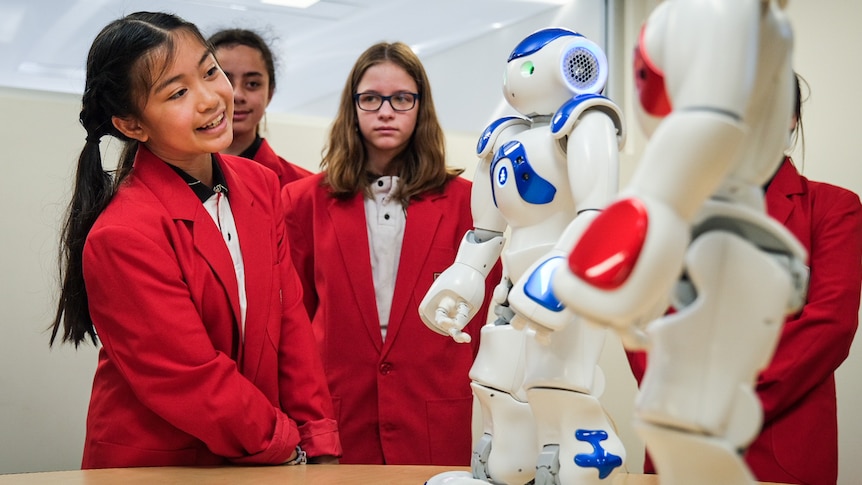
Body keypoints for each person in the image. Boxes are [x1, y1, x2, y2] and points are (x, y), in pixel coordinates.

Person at [49, 11, 340, 469]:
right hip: (161, 466)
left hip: (260, 454)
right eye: (178, 92)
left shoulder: (261, 186)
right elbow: (192, 379)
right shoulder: (123, 234)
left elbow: (291, 326)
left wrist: (320, 441)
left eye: (209, 72)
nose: (211, 99)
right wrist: (292, 448)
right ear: (131, 125)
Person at [552, 1, 809, 484]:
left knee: (683, 422)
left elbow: (709, 120)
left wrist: (655, 201)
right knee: (675, 422)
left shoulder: (724, 16)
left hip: (777, 424)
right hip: (715, 239)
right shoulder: (753, 21)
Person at [627, 73, 862, 485]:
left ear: (791, 118)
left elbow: (831, 325)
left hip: (778, 443)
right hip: (680, 436)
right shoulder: (676, 212)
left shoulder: (833, 208)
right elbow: (640, 316)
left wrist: (724, 399)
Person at [419, 28, 627, 485]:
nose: (516, 81)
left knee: (558, 386)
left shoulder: (585, 122)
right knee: (495, 382)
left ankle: (571, 472)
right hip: (513, 285)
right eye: (513, 70)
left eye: (529, 68)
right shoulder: (504, 135)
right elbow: (486, 229)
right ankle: (498, 473)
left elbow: (597, 210)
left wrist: (563, 270)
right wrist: (465, 275)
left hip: (567, 282)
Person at [281, 41, 498, 466]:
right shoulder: (302, 201)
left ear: (421, 107)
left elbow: (486, 319)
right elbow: (294, 325)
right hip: (339, 415)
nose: (385, 111)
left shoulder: (468, 204)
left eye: (401, 99)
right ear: (353, 107)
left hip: (435, 415)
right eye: (371, 99)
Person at [208, 28, 312, 186]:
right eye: (225, 81)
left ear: (270, 93)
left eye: (252, 84)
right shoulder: (172, 177)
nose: (237, 95)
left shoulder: (303, 188)